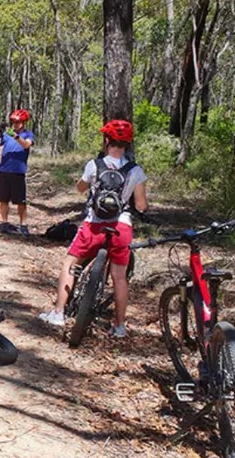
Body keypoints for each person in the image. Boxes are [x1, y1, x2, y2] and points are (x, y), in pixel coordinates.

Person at [38, 119, 148, 338]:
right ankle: (119, 326)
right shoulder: (135, 171)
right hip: (121, 227)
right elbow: (141, 205)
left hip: (94, 225)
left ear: (107, 141)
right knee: (119, 277)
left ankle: (58, 312)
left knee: (70, 263)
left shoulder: (94, 165)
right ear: (127, 144)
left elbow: (80, 188)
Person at [0, 109, 35, 236]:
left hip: (18, 172)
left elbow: (26, 145)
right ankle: (4, 222)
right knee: (3, 199)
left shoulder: (28, 134)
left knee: (20, 201)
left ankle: (23, 224)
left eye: (18, 122)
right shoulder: (6, 135)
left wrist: (15, 136)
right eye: (14, 122)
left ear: (24, 122)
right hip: (4, 170)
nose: (15, 124)